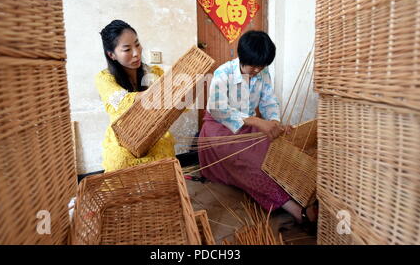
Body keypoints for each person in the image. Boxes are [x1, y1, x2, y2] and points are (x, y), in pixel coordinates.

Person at [198, 30, 317, 229]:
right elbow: (218, 110)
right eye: (253, 66)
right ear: (241, 58)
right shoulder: (223, 73)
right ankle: (294, 208)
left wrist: (274, 123)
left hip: (248, 126)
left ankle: (302, 193)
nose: (257, 70)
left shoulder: (262, 72)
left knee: (275, 151)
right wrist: (256, 122)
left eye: (262, 66)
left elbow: (269, 100)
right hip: (219, 129)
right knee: (251, 161)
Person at [95, 20, 175, 172]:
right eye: (127, 49)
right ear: (112, 55)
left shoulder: (154, 73)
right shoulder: (104, 78)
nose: (136, 53)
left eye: (137, 44)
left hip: (153, 135)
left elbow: (173, 103)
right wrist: (159, 94)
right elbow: (122, 102)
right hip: (122, 140)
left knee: (164, 155)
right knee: (119, 163)